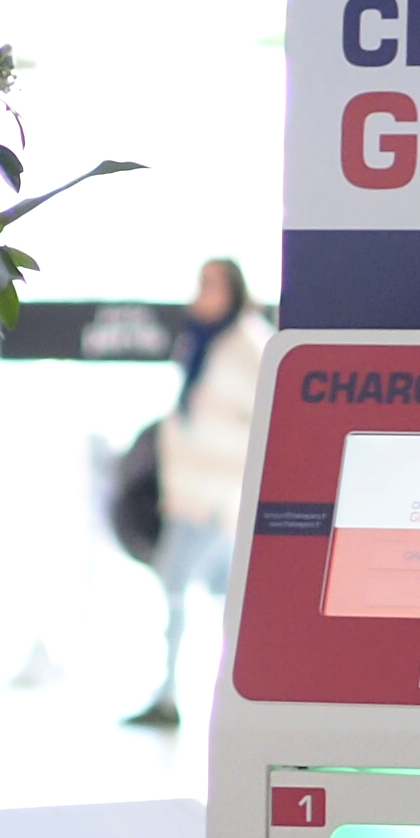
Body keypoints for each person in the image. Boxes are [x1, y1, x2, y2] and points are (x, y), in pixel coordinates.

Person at [131, 256, 267, 730]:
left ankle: (178, 694)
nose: (201, 294)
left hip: (214, 498)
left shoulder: (248, 345)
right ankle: (212, 696)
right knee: (219, 597)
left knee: (180, 587)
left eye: (211, 284)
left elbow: (265, 423)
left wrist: (228, 487)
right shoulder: (201, 342)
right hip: (189, 492)